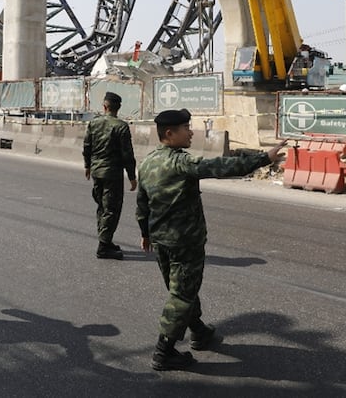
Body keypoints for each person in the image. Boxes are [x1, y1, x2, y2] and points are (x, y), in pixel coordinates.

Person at [136, 108, 287, 371]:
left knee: (183, 289)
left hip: (160, 241)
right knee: (181, 295)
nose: (191, 133)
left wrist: (145, 233)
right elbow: (219, 167)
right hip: (184, 242)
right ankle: (164, 351)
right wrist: (263, 158)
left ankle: (199, 331)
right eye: (186, 128)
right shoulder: (180, 162)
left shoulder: (147, 162)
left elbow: (142, 203)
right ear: (169, 133)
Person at [82, 91, 137, 260]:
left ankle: (105, 239)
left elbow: (87, 146)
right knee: (111, 209)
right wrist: (132, 176)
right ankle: (104, 246)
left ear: (104, 106)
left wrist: (87, 166)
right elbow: (127, 154)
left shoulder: (94, 123)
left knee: (102, 207)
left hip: (97, 171)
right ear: (118, 108)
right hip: (112, 174)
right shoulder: (121, 126)